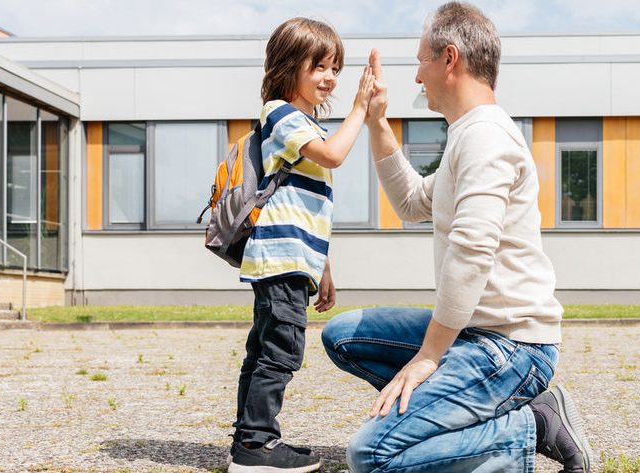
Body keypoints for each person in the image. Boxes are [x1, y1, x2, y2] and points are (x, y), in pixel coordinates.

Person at [321, 2, 593, 472]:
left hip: (512, 348)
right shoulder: (466, 136)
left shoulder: (486, 138)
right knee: (343, 335)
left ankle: (530, 427)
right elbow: (411, 203)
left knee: (370, 456)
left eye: (421, 61)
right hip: (473, 333)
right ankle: (455, 415)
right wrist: (377, 123)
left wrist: (429, 356)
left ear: (450, 59)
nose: (416, 77)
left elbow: (472, 253)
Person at [229, 17, 374, 473]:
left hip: (292, 258)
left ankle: (250, 442)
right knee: (281, 350)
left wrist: (322, 267)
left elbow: (304, 207)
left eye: (336, 68)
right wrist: (360, 110)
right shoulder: (281, 113)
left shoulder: (302, 121)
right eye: (320, 67)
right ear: (291, 64)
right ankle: (256, 447)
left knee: (266, 349)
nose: (330, 77)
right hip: (278, 256)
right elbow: (334, 154)